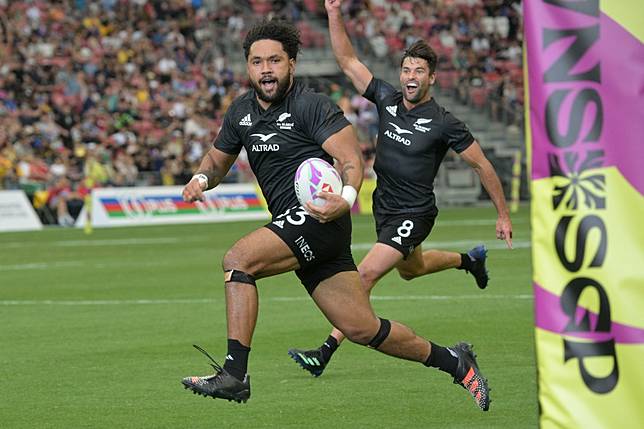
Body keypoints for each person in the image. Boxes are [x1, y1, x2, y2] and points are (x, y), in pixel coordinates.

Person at [180, 19, 490, 411]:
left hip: (320, 218)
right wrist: (201, 179)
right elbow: (217, 160)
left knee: (238, 261)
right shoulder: (241, 111)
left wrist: (345, 197)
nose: (266, 69)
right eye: (257, 62)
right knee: (361, 328)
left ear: (291, 63)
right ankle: (456, 362)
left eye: (274, 60)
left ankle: (234, 374)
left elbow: (350, 158)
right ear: (248, 67)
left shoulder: (312, 105)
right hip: (303, 230)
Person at [287, 0, 513, 390]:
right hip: (386, 209)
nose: (410, 76)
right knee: (412, 271)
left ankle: (324, 350)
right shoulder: (388, 100)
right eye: (406, 69)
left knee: (365, 274)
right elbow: (347, 61)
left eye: (419, 71)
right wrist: (334, 13)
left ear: (432, 78)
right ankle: (469, 260)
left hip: (416, 212)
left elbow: (483, 166)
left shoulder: (445, 122)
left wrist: (503, 215)